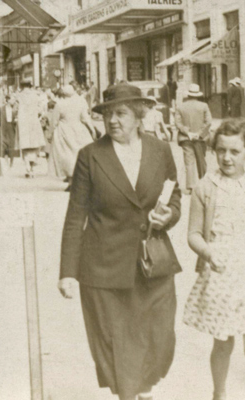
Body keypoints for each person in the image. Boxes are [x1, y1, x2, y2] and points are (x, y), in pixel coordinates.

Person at [57, 82, 182, 400]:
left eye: (121, 113)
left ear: (139, 116)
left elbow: (174, 195)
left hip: (154, 263)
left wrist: (168, 215)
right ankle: (131, 394)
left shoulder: (160, 150)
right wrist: (68, 272)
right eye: (107, 114)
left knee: (161, 337)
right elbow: (76, 216)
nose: (112, 120)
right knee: (119, 344)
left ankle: (143, 387)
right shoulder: (90, 156)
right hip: (104, 266)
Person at [183, 119, 245, 400]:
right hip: (221, 273)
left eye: (234, 152)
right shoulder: (206, 187)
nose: (226, 157)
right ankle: (220, 393)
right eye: (221, 150)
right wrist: (209, 252)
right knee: (223, 343)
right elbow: (193, 234)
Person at [51, 84, 96, 188]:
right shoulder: (80, 103)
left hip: (64, 130)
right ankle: (81, 180)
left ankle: (71, 181)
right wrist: (92, 129)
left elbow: (54, 121)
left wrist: (50, 134)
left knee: (66, 154)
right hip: (78, 129)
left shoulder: (59, 104)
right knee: (78, 152)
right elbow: (85, 117)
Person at [175, 83, 212, 194]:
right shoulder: (204, 106)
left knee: (189, 161)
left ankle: (191, 186)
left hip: (186, 138)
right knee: (201, 160)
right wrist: (199, 133)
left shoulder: (180, 106)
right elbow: (208, 122)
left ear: (188, 95)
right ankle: (203, 183)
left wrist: (188, 132)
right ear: (197, 95)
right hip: (201, 138)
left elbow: (178, 123)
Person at [15, 81, 46, 178]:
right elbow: (41, 109)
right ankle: (32, 168)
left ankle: (27, 166)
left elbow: (15, 109)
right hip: (33, 122)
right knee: (34, 144)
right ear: (30, 86)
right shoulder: (36, 95)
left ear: (22, 86)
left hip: (23, 122)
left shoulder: (18, 96)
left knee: (25, 144)